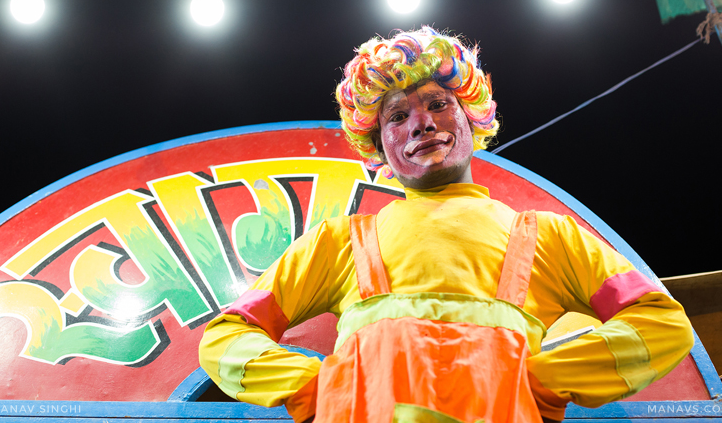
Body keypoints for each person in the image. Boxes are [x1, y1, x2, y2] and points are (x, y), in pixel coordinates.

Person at [199, 27, 693, 423]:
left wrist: (542, 378)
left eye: (438, 104)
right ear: (380, 148)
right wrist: (318, 386)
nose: (421, 124)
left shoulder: (552, 236)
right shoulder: (338, 244)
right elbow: (226, 338)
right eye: (397, 116)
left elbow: (662, 323)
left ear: (471, 119)